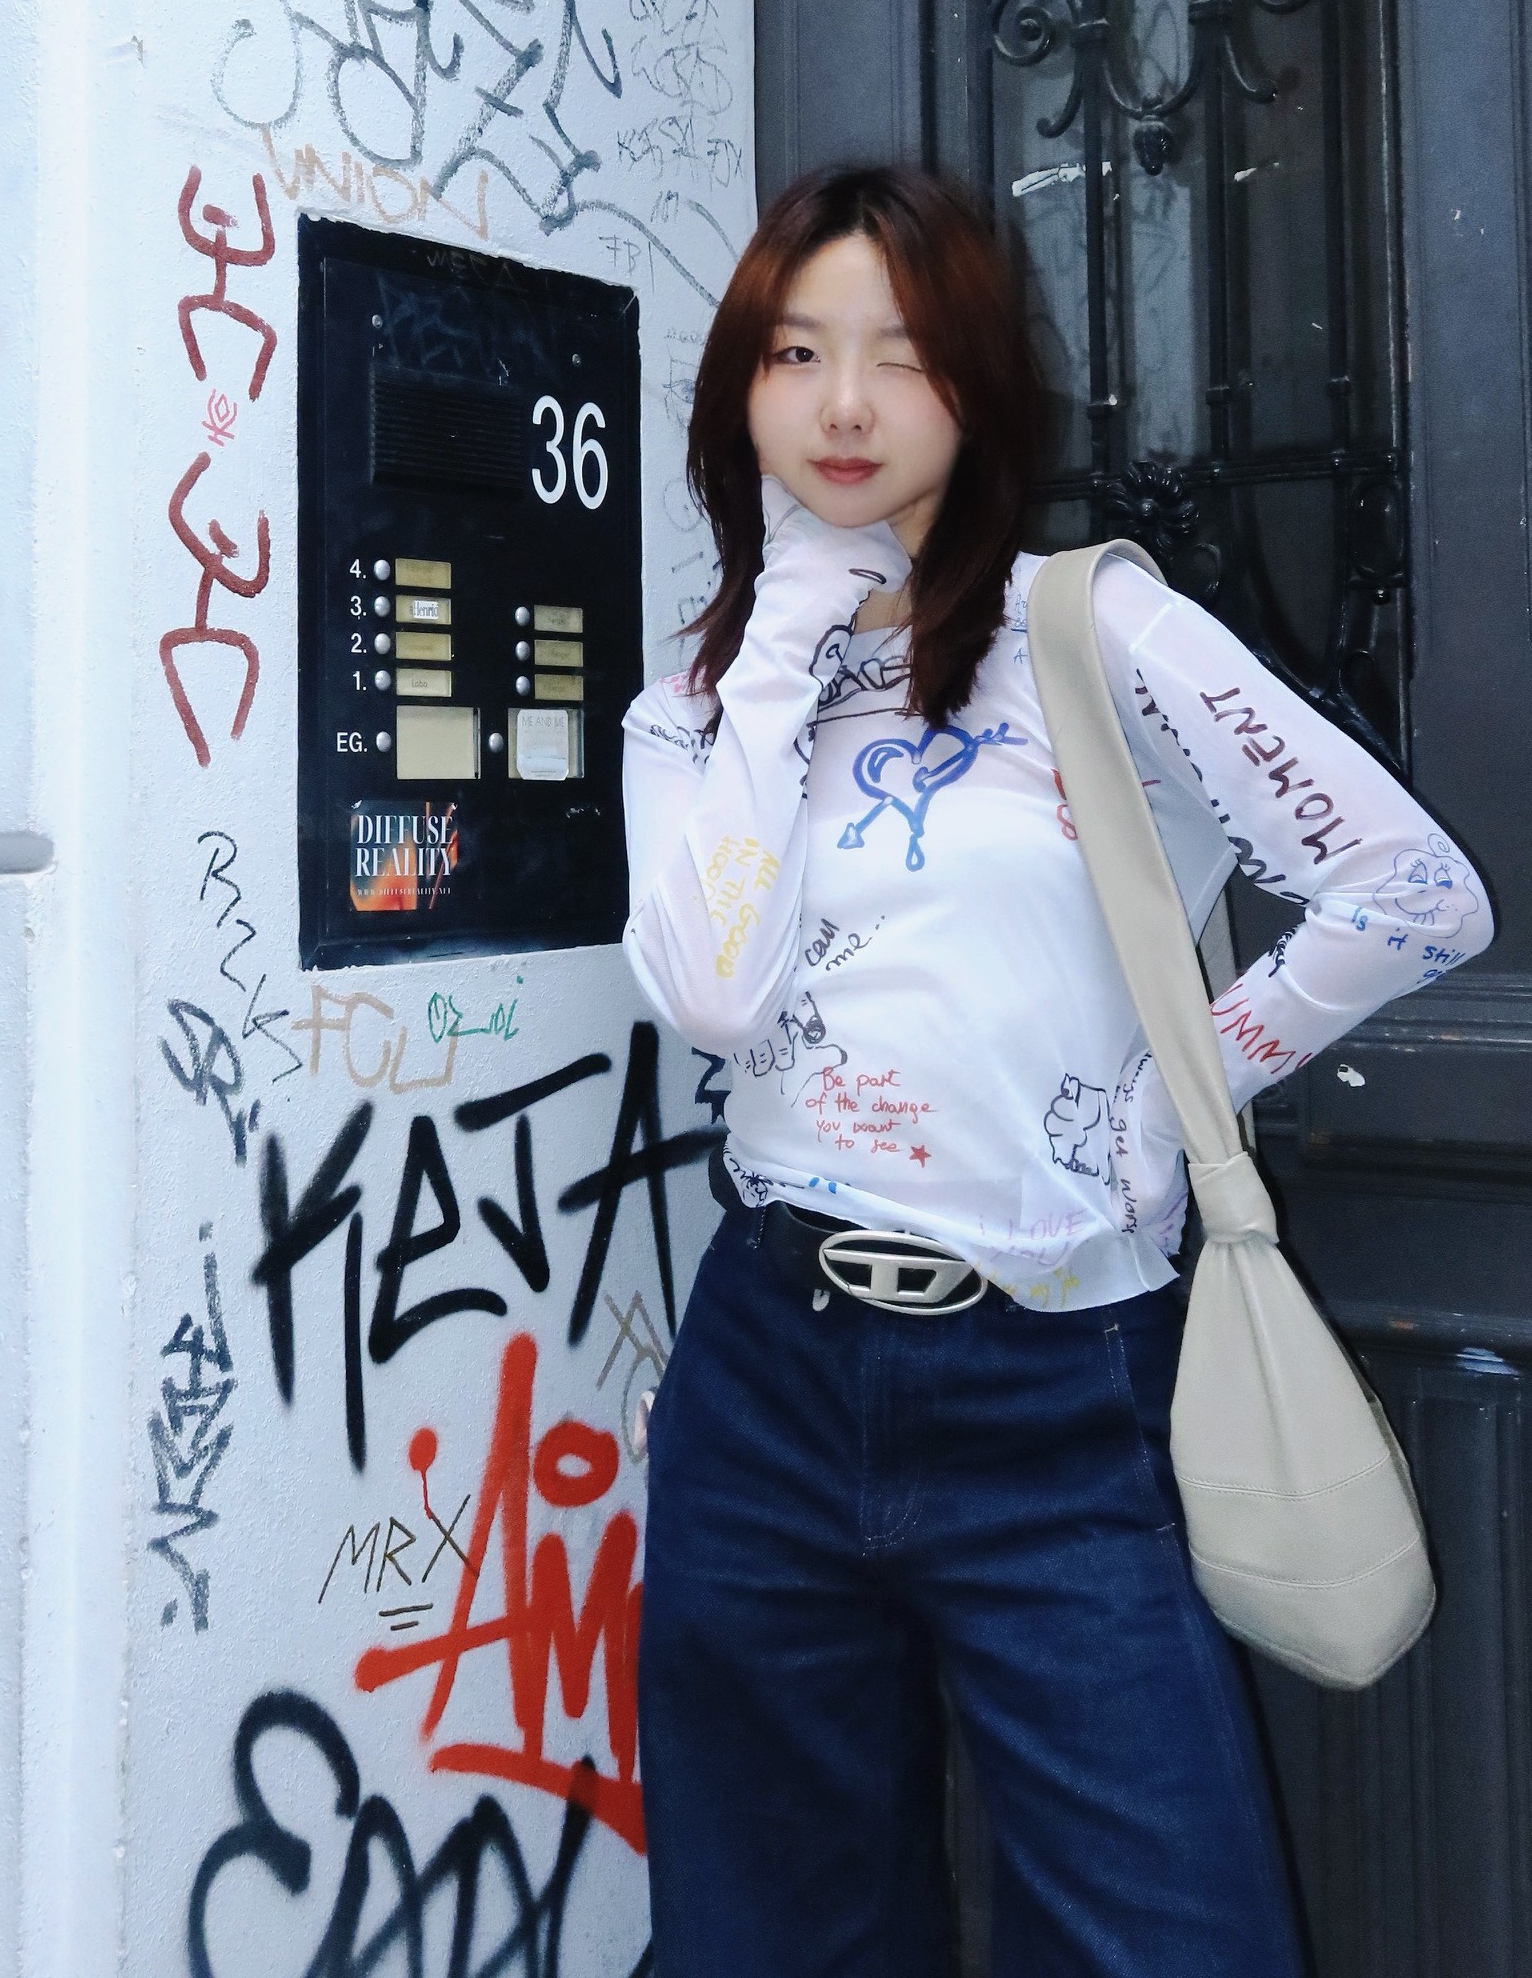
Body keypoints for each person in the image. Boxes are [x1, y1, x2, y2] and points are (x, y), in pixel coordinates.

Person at [620, 164, 1493, 1978]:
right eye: (796, 353)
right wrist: (780, 641)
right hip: (767, 1373)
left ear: (981, 385)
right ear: (740, 390)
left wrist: (1178, 1089)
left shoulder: (1086, 632)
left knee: (1170, 1935)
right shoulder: (700, 703)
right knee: (768, 1936)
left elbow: (1413, 893)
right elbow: (712, 995)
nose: (845, 404)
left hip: (1057, 1380)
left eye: (902, 353)